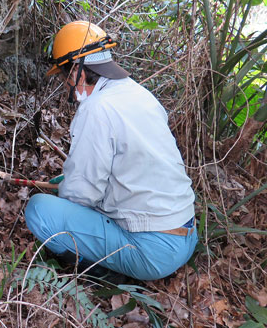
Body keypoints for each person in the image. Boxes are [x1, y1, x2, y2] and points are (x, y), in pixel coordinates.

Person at [25, 21, 197, 281]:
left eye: (64, 77)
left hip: (152, 252)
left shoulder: (96, 108)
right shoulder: (140, 94)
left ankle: (105, 273)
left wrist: (65, 192)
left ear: (78, 73)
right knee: (64, 186)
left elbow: (81, 194)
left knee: (39, 211)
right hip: (186, 235)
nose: (65, 85)